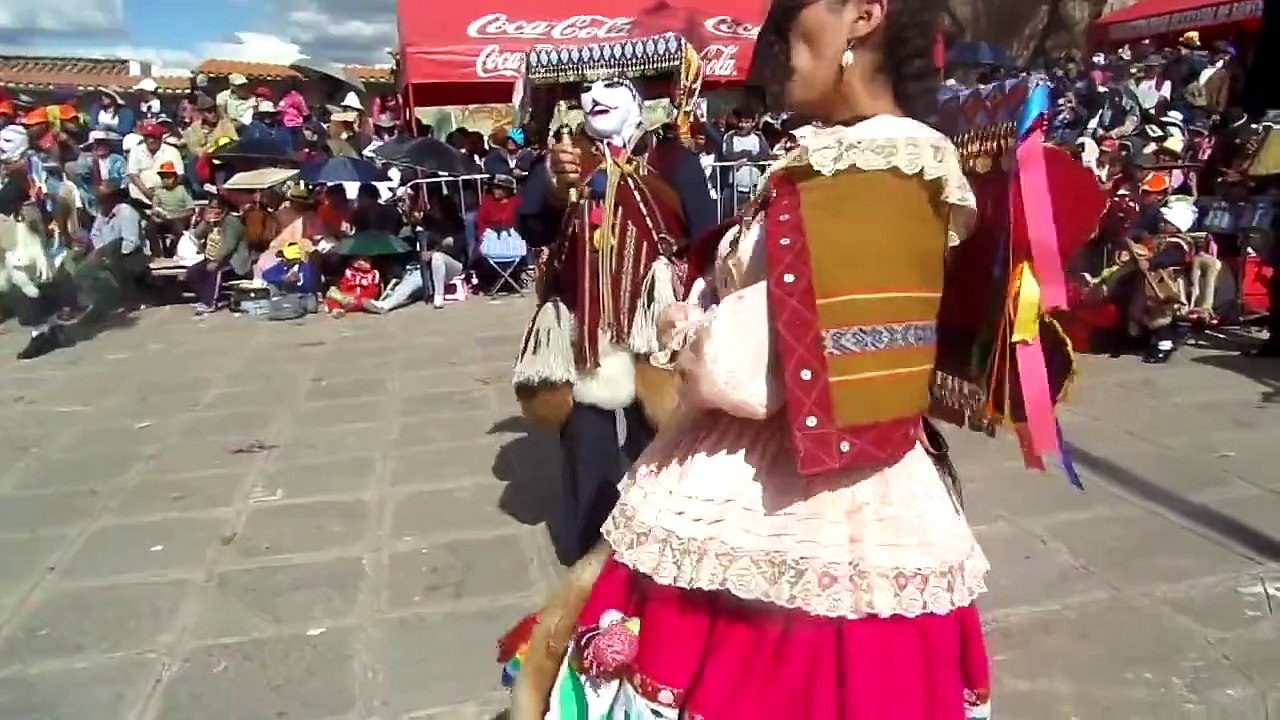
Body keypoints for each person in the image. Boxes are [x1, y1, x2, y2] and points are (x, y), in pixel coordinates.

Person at [499, 2, 1003, 718]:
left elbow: (764, 361)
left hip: (809, 494)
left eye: (792, 19)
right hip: (748, 456)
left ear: (862, 13)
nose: (773, 50)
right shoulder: (846, 156)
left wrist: (692, 330)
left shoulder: (883, 162)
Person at [512, 32, 716, 567]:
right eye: (586, 88)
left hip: (656, 322)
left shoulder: (671, 158)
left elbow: (707, 235)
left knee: (666, 437)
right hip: (585, 325)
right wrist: (558, 188)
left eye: (611, 85)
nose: (595, 96)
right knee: (587, 442)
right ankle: (589, 554)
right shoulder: (564, 157)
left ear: (640, 97)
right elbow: (531, 224)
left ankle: (668, 550)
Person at [185, 194, 250, 314]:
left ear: (224, 209)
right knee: (192, 272)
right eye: (211, 207)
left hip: (233, 262)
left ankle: (211, 303)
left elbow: (228, 247)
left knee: (216, 271)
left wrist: (216, 261)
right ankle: (208, 298)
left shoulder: (232, 222)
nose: (213, 211)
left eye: (217, 208)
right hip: (211, 257)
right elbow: (197, 235)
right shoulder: (212, 222)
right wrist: (205, 222)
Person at [474, 174, 525, 293]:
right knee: (481, 254)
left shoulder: (517, 202)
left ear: (507, 190)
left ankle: (512, 280)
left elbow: (522, 222)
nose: (495, 190)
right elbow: (480, 220)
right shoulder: (488, 201)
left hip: (512, 240)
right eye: (494, 187)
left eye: (499, 188)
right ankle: (488, 282)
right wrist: (483, 233)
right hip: (491, 239)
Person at [721, 107, 771, 208]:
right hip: (734, 187)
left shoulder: (758, 137)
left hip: (754, 187)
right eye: (740, 122)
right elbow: (728, 155)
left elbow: (764, 155)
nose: (742, 125)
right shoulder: (730, 137)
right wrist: (749, 155)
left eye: (746, 122)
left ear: (753, 122)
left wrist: (746, 157)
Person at [126, 122, 184, 205]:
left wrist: (166, 192)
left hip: (166, 193)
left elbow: (180, 175)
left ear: (160, 138)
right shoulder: (136, 150)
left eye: (154, 137)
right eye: (148, 137)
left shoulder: (172, 151)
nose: (151, 140)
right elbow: (133, 175)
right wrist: (147, 193)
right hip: (139, 195)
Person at [146, 161, 195, 257]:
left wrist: (174, 215)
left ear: (175, 177)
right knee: (150, 226)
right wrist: (156, 216)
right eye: (163, 178)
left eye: (168, 177)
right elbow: (155, 207)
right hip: (163, 218)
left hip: (179, 218)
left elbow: (191, 210)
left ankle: (171, 252)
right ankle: (157, 253)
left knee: (178, 227)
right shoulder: (159, 191)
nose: (165, 180)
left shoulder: (182, 190)